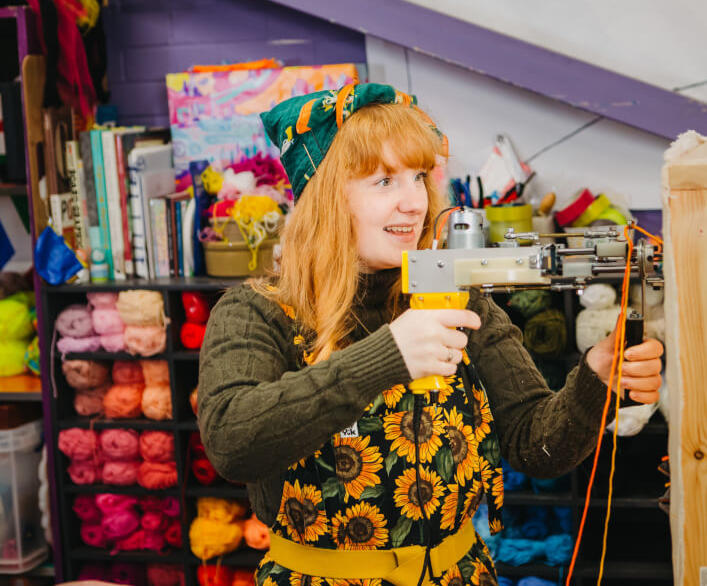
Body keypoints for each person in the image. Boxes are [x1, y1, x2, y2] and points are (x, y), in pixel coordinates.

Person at [198, 83, 663, 586]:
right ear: (325, 198)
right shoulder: (257, 312)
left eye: (418, 177)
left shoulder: (457, 295)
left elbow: (535, 444)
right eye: (383, 182)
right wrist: (388, 356)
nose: (414, 202)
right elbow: (232, 442)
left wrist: (596, 378)